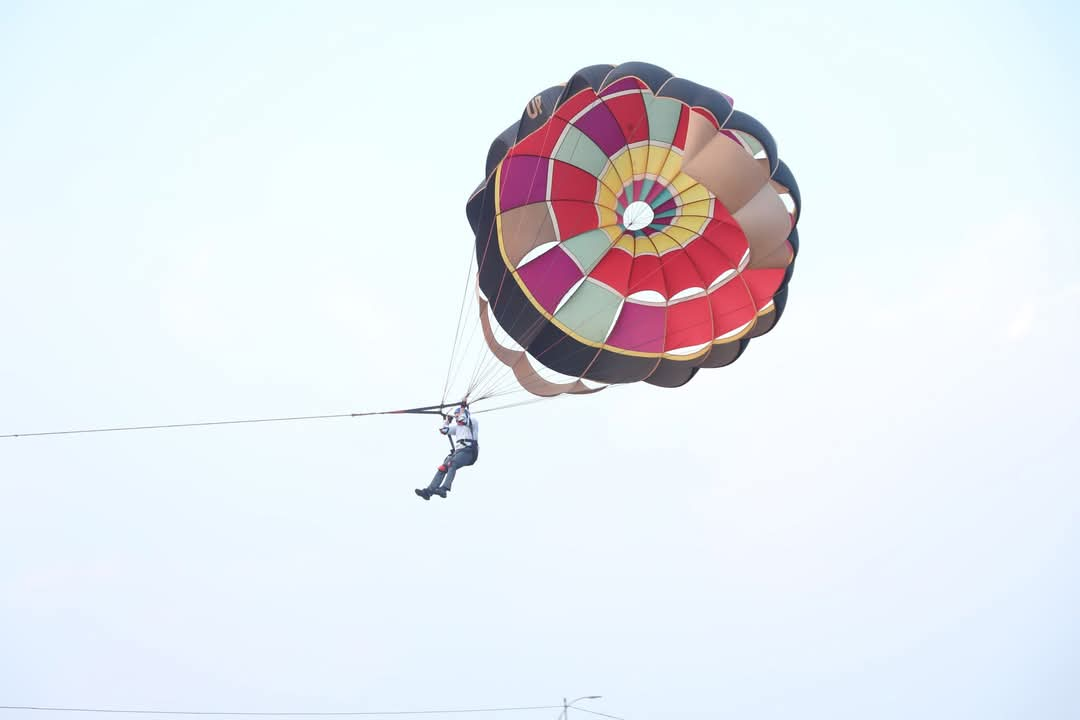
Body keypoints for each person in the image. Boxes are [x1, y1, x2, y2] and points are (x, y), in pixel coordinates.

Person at [415, 404, 479, 500]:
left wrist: (462, 407)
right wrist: (447, 421)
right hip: (458, 452)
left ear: (464, 413)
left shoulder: (472, 422)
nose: (456, 417)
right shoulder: (458, 428)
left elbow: (462, 420)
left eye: (457, 415)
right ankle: (428, 492)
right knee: (443, 467)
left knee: (452, 463)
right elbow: (444, 430)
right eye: (456, 415)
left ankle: (444, 489)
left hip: (469, 452)